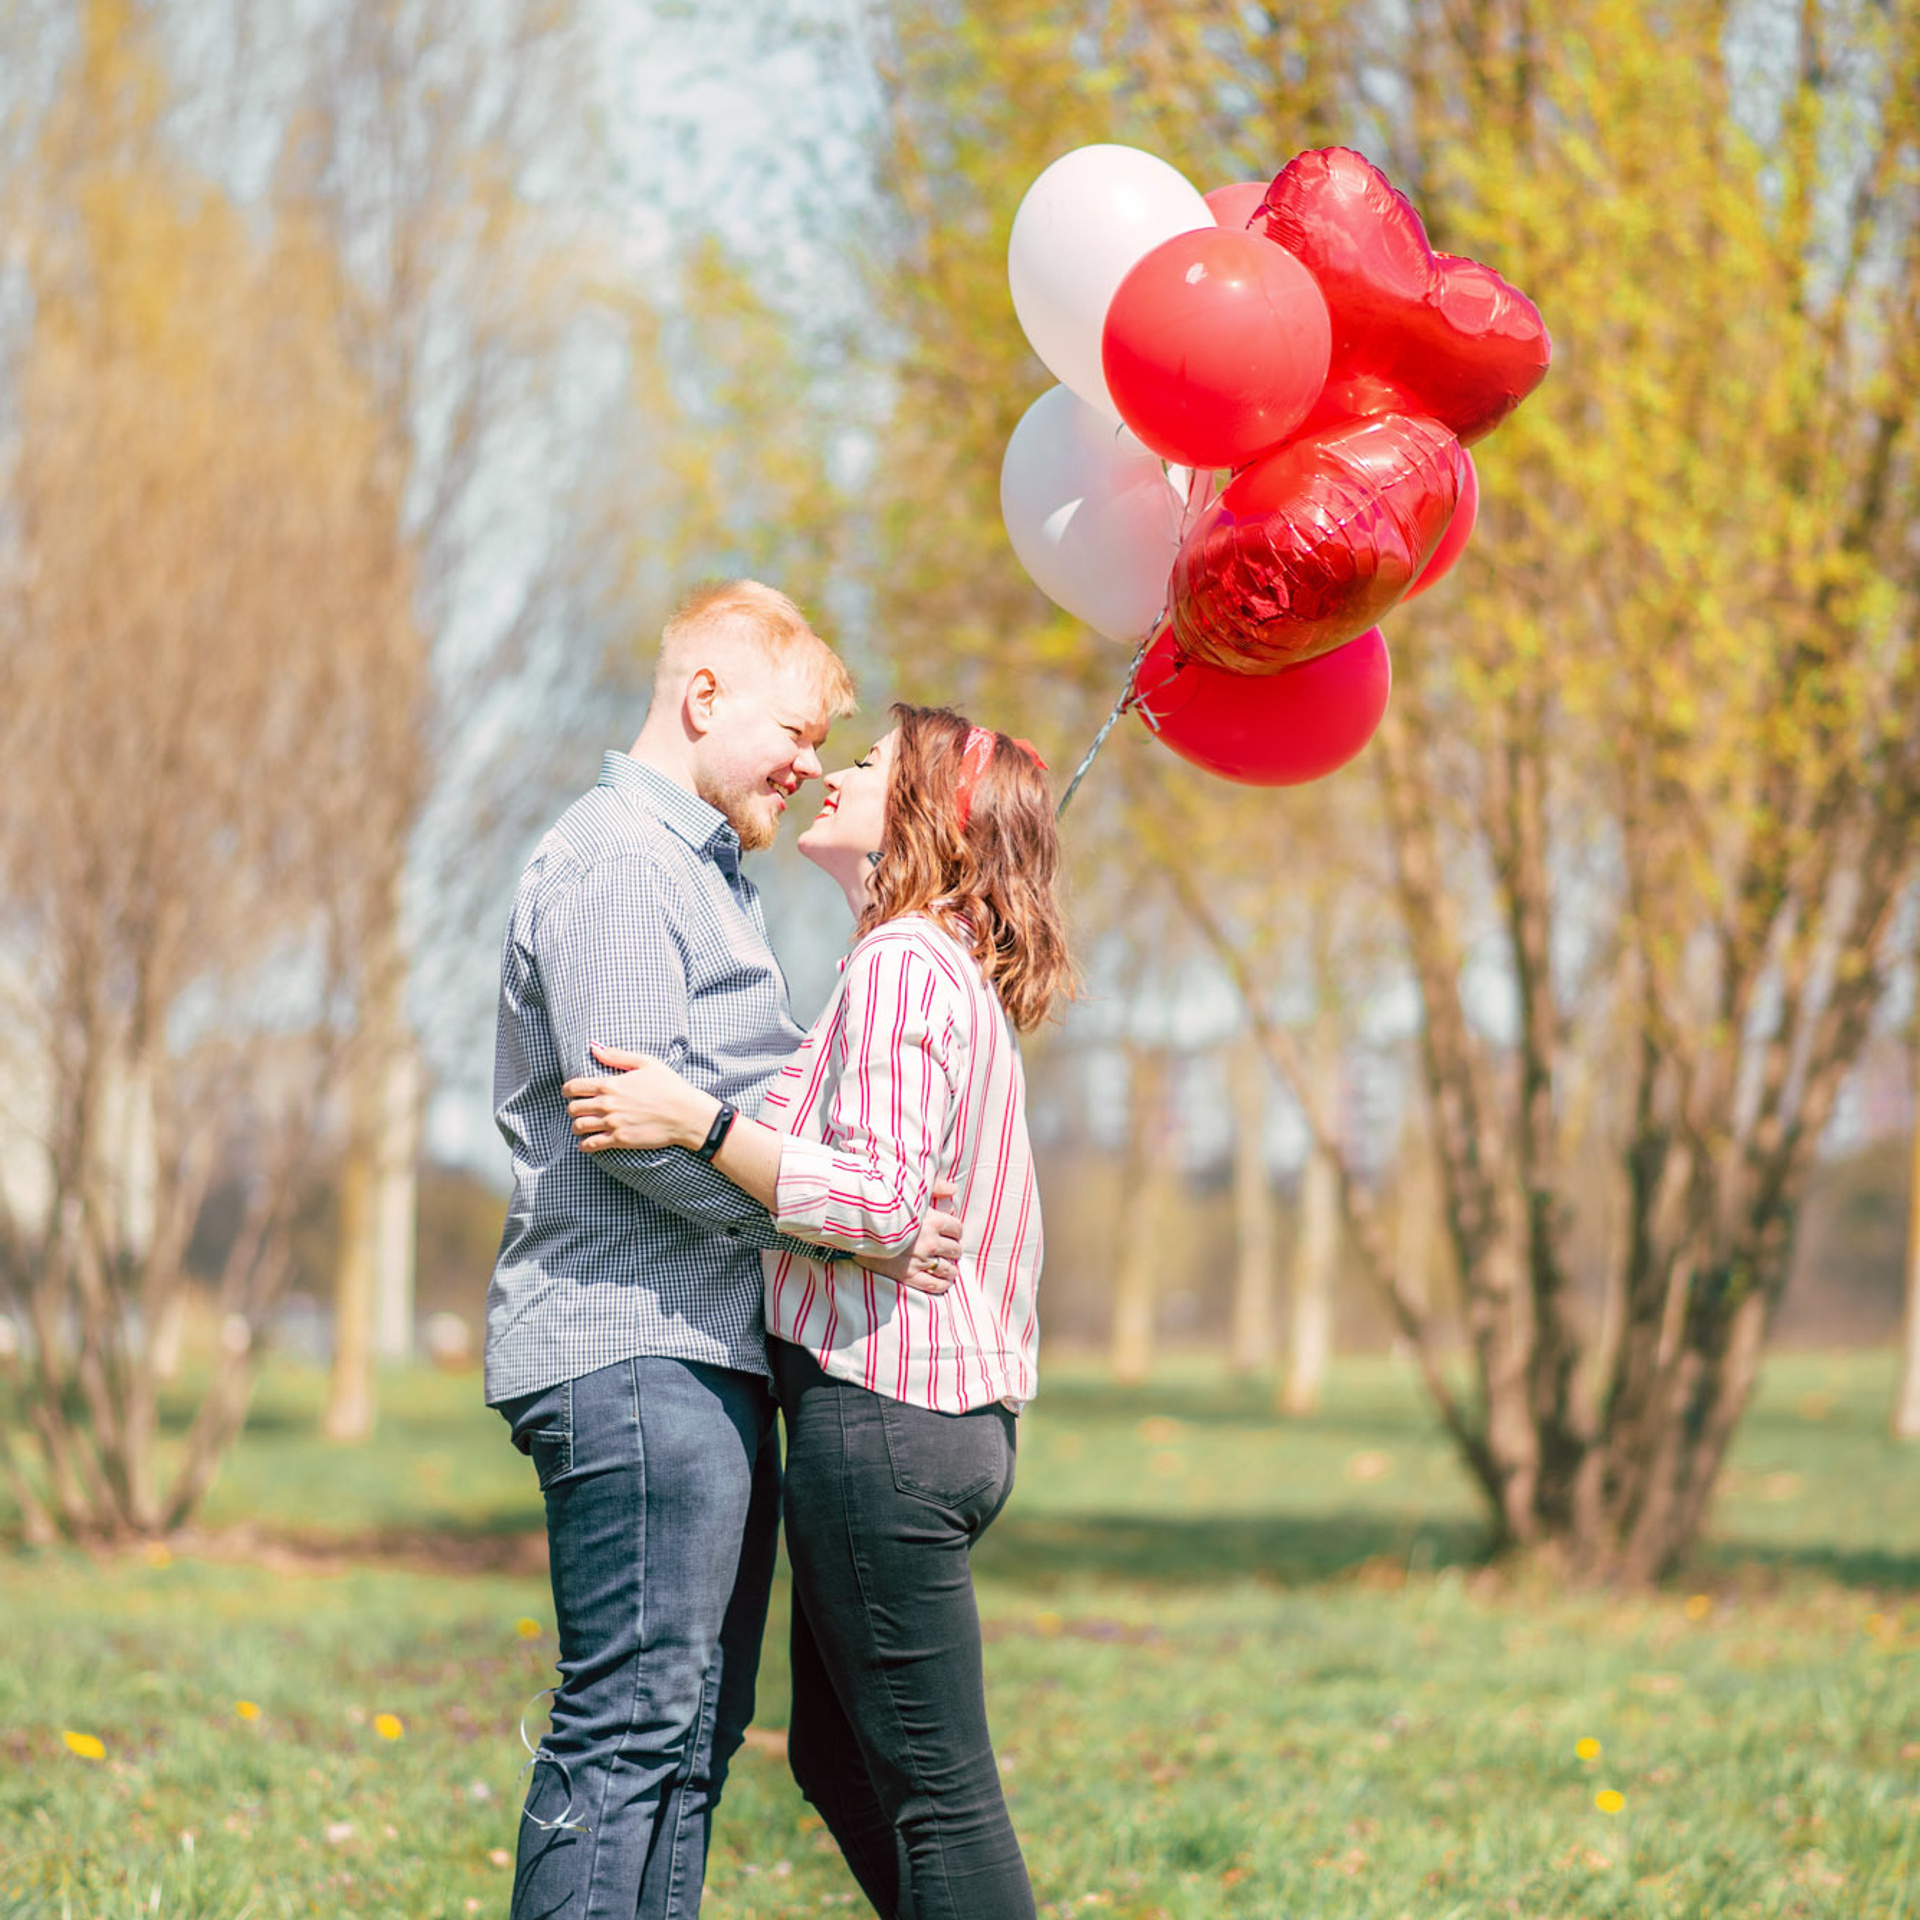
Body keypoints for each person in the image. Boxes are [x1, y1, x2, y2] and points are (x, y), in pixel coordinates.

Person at [483, 582, 963, 1920]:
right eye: (799, 731)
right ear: (703, 697)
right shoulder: (621, 864)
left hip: (702, 1351)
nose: (809, 763)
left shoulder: (708, 878)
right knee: (633, 1728)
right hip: (630, 1345)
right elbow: (630, 1135)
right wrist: (833, 1225)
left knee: (691, 1741)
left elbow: (708, 1113)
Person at [562, 704, 1071, 1920]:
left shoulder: (903, 963)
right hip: (932, 1421)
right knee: (841, 1760)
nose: (832, 777)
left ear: (923, 815)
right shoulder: (921, 962)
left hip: (884, 1417)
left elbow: (885, 1200)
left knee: (938, 1796)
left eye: (866, 763)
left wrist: (701, 1122)